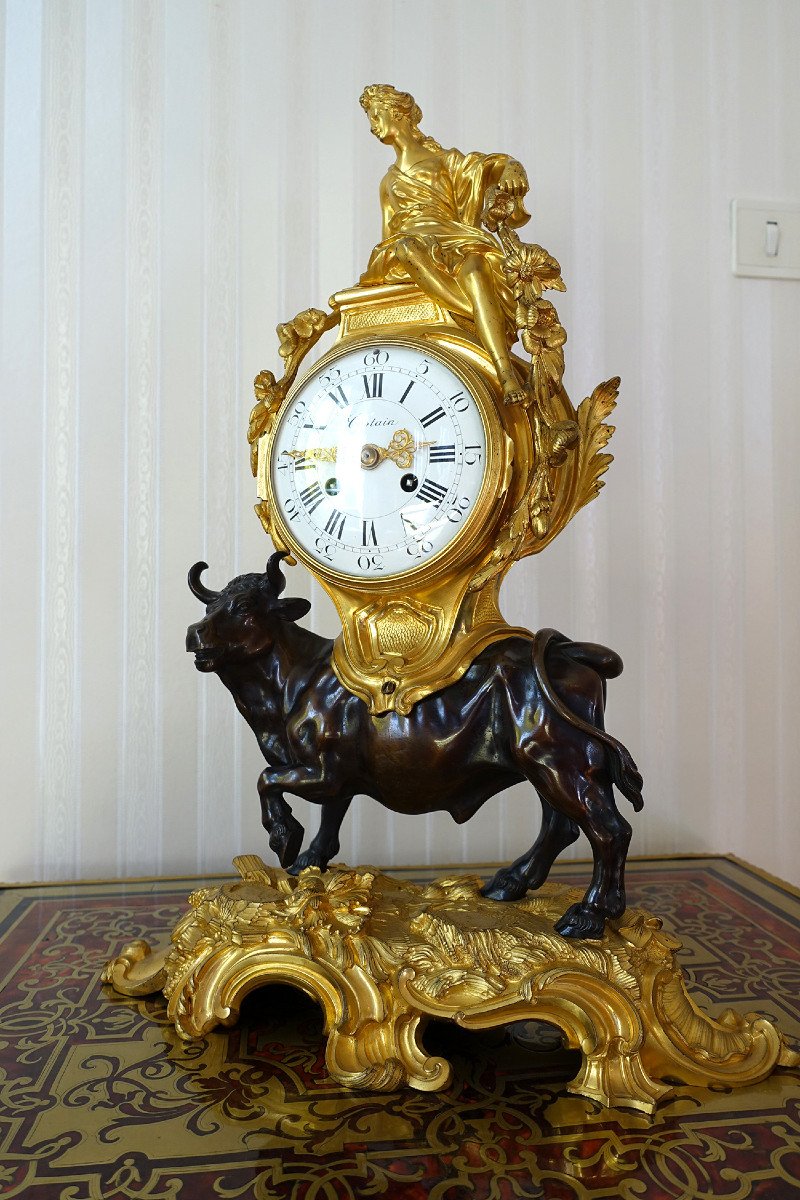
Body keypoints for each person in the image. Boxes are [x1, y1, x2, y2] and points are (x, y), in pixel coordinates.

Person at [359, 84, 531, 404]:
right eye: (370, 116)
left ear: (398, 115)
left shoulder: (445, 162)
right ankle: (481, 314)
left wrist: (511, 167)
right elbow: (386, 237)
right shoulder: (388, 182)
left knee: (477, 269)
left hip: (453, 239)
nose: (372, 124)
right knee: (406, 248)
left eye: (376, 114)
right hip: (406, 250)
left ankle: (505, 372)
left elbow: (486, 167)